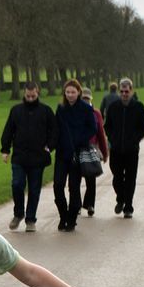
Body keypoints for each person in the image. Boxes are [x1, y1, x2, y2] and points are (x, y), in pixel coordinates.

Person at [0, 82, 56, 232]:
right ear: (24, 93)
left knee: (34, 189)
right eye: (28, 95)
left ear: (38, 93)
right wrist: (5, 150)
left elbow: (54, 131)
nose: (30, 98)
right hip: (19, 156)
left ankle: (30, 219)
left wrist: (49, 147)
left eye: (33, 95)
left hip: (38, 157)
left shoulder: (46, 111)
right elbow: (8, 131)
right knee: (17, 184)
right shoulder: (16, 110)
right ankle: (18, 214)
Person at [52, 78, 98, 232]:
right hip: (62, 153)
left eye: (73, 92)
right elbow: (55, 130)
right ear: (64, 93)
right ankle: (63, 216)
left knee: (74, 187)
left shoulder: (85, 109)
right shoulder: (61, 109)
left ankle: (71, 218)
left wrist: (79, 140)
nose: (70, 95)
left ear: (78, 92)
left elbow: (93, 128)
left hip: (77, 153)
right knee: (58, 185)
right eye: (68, 92)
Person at [103, 77, 144, 218]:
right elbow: (107, 126)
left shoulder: (138, 107)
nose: (124, 94)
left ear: (131, 91)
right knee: (117, 177)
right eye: (122, 91)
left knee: (130, 178)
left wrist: (135, 139)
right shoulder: (113, 107)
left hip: (131, 150)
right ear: (119, 91)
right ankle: (121, 198)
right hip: (116, 150)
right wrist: (112, 138)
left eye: (127, 91)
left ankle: (128, 206)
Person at [80, 87, 109, 216]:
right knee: (75, 179)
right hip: (78, 148)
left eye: (87, 98)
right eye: (83, 98)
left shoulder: (96, 113)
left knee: (91, 177)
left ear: (91, 99)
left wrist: (105, 152)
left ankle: (89, 204)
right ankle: (76, 204)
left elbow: (101, 134)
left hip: (92, 148)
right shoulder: (76, 111)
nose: (85, 101)